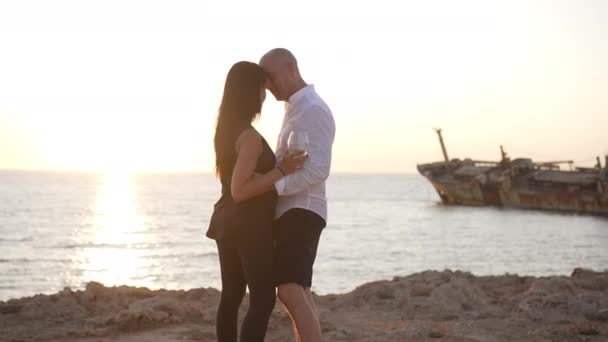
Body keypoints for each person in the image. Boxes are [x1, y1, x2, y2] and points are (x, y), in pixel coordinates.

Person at [206, 61, 306, 342]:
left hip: (226, 221)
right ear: (251, 91)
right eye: (263, 87)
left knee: (232, 296)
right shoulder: (249, 137)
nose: (265, 94)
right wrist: (281, 170)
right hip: (248, 225)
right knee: (262, 300)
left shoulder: (227, 129)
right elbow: (240, 190)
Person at [259, 48, 336, 342]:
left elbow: (318, 169)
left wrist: (272, 186)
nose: (267, 84)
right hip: (295, 210)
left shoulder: (312, 109)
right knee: (299, 291)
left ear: (290, 68)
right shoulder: (295, 108)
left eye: (270, 76)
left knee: (290, 290)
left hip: (302, 209)